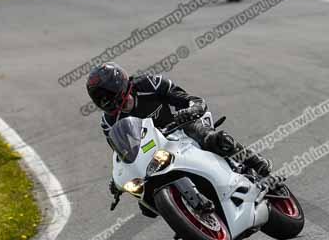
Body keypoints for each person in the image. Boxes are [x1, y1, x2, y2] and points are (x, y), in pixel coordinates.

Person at [86, 63, 275, 201]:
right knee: (145, 203)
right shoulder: (108, 122)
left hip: (181, 127)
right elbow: (122, 152)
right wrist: (117, 178)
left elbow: (187, 98)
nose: (106, 101)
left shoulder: (148, 84)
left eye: (107, 95)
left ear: (120, 84)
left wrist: (192, 109)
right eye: (100, 99)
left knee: (212, 139)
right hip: (154, 150)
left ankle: (256, 163)